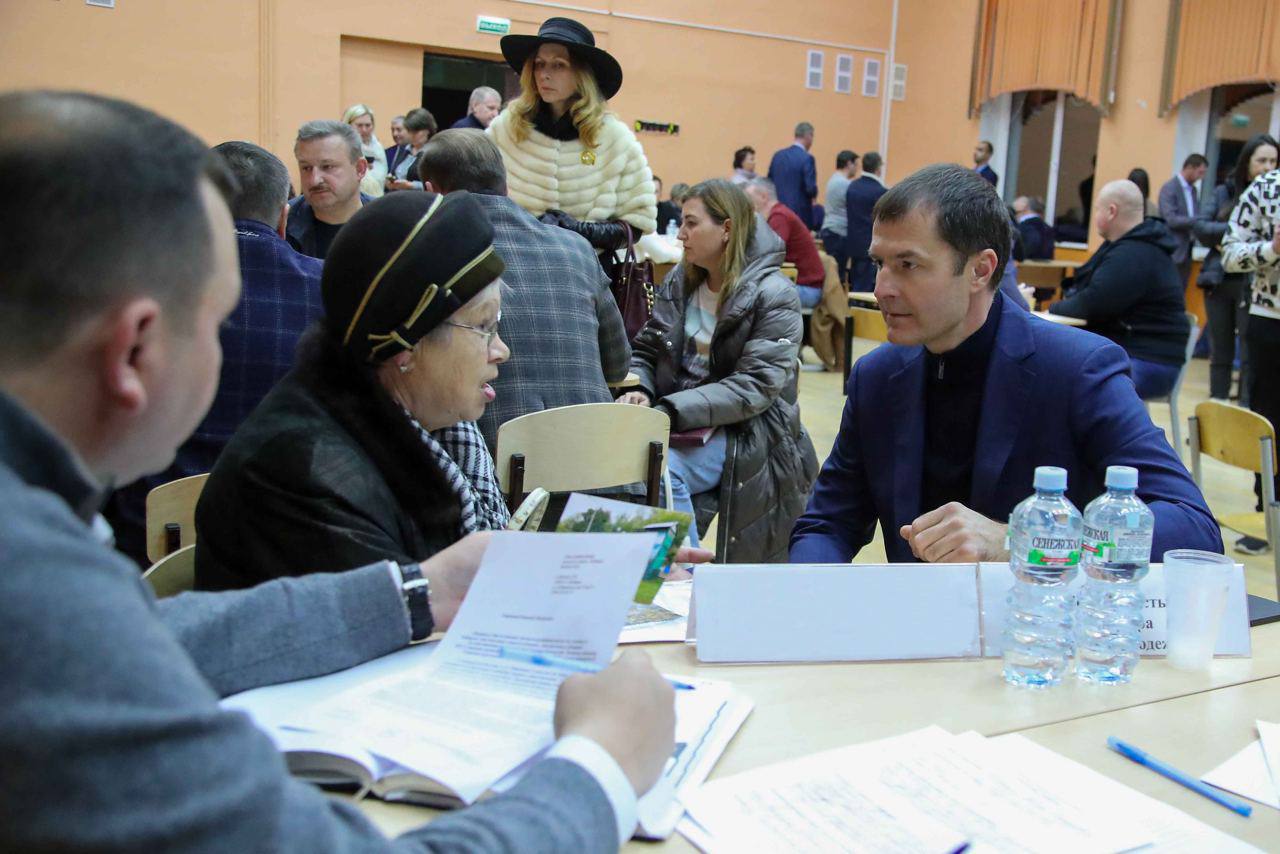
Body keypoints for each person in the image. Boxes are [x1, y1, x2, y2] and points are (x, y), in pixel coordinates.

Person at [0, 89, 676, 852]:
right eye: (217, 322)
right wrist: (601, 764)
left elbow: (146, 637)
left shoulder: (40, 544)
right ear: (135, 351)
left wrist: (421, 592)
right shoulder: (39, 597)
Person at [790, 164, 1220, 566]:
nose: (881, 288)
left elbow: (1193, 529)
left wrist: (1020, 542)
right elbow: (827, 524)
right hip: (919, 617)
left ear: (980, 270)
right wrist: (807, 597)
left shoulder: (1077, 370)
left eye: (908, 265)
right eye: (879, 264)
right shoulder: (877, 377)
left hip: (1038, 616)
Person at [196, 191, 514, 590]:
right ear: (406, 346)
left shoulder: (436, 432)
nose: (501, 351)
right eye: (484, 327)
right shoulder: (304, 477)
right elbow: (400, 618)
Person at [103, 140, 325, 568]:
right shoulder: (329, 289)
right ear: (284, 218)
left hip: (149, 542)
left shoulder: (138, 288)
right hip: (290, 533)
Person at [620, 179, 818, 562]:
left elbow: (755, 386)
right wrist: (640, 389)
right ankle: (660, 571)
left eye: (691, 223)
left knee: (662, 469)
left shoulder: (774, 294)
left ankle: (687, 576)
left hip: (749, 429)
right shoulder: (681, 279)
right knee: (623, 461)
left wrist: (669, 410)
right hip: (678, 421)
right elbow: (645, 349)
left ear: (726, 228)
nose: (680, 234)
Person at [417, 129, 632, 454]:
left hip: (491, 466)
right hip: (599, 462)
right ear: (505, 185)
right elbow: (618, 365)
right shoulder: (577, 248)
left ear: (431, 192)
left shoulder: (436, 253)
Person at [488, 15, 657, 261]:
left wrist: (579, 231)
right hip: (517, 265)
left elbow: (636, 224)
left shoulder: (615, 139)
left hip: (588, 270)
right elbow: (481, 201)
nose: (544, 74)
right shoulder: (506, 129)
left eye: (558, 65)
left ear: (582, 74)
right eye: (539, 64)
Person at [1050, 180, 1190, 399]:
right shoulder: (1127, 247)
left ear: (1111, 211)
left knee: (1061, 379)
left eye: (1097, 209)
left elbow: (1092, 304)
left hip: (1148, 360)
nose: (1094, 215)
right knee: (1053, 369)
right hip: (1134, 351)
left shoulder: (1134, 254)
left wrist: (1053, 309)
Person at [1222, 158, 1280, 556]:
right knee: (1270, 423)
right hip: (1271, 320)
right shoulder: (1267, 188)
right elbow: (1229, 254)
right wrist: (1271, 249)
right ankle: (1267, 517)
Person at [1194, 134, 1278, 404]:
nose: (1267, 167)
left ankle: (1244, 411)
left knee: (1249, 357)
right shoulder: (1226, 191)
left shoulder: (1270, 194)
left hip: (1252, 285)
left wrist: (1248, 240)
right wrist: (1239, 234)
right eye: (1262, 160)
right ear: (1247, 162)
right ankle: (1218, 406)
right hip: (1221, 280)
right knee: (1221, 350)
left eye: (1273, 161)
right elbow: (1201, 227)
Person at [287, 119, 370, 259]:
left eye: (327, 167)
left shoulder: (390, 224)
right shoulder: (280, 227)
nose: (315, 180)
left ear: (360, 169)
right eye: (306, 168)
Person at [744, 178, 825, 308]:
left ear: (764, 196)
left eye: (749, 197)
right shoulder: (778, 214)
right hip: (801, 286)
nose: (747, 203)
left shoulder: (779, 217)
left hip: (806, 289)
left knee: (745, 297)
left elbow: (767, 254)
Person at [1158, 153, 1208, 286]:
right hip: (1173, 249)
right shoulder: (1169, 188)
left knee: (1182, 288)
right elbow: (1171, 219)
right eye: (1200, 172)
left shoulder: (1194, 191)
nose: (1201, 177)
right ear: (1189, 167)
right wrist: (1197, 220)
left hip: (1188, 249)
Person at [845, 150, 888, 292]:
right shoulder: (880, 192)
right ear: (878, 168)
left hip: (853, 243)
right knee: (866, 287)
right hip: (871, 244)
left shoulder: (852, 186)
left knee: (854, 282)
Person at [767, 121, 818, 228]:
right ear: (808, 135)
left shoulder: (778, 156)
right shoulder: (807, 158)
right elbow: (810, 189)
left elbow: (769, 182)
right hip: (800, 214)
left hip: (776, 211)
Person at [821, 149, 859, 283]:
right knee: (837, 274)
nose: (857, 169)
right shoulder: (844, 184)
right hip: (838, 232)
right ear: (849, 164)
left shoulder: (833, 180)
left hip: (831, 229)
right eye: (855, 165)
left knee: (834, 271)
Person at [386, 106, 436, 192]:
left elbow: (436, 186)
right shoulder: (404, 148)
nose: (412, 135)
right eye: (409, 131)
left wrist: (411, 185)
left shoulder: (434, 152)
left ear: (427, 130)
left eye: (416, 132)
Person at [343, 102, 387, 198]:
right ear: (349, 125)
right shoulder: (343, 148)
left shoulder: (378, 148)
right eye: (359, 125)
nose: (364, 129)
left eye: (368, 125)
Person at [1012, 195, 1054, 260]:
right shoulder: (1047, 227)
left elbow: (1032, 243)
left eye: (1016, 212)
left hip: (1025, 264)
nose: (1015, 216)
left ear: (1025, 208)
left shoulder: (1025, 226)